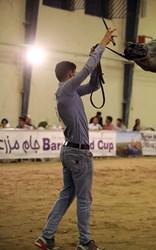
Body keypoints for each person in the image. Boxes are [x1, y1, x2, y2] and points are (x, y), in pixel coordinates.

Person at [34, 28, 116, 250]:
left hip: (69, 151)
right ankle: (85, 241)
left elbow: (93, 85)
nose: (76, 73)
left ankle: (46, 237)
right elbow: (87, 70)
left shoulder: (66, 93)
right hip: (79, 152)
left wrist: (98, 63)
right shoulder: (68, 89)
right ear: (70, 74)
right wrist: (102, 44)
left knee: (66, 195)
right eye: (75, 72)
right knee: (84, 199)